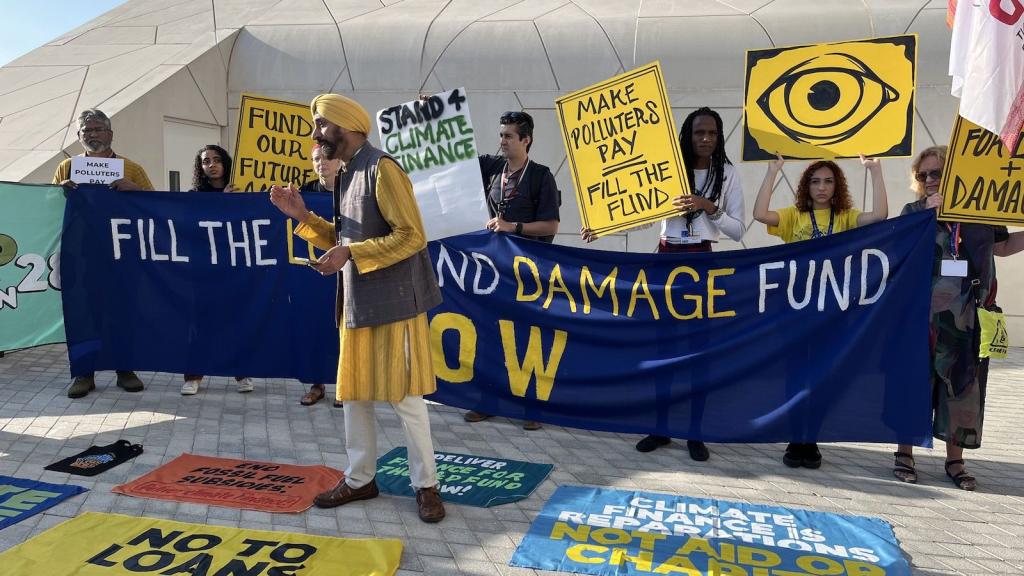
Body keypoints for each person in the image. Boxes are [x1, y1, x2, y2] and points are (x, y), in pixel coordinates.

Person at [269, 93, 446, 522]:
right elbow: (345, 238)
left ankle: (427, 487)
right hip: (356, 304)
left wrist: (351, 254)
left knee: (406, 400)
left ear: (346, 126)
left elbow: (411, 236)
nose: (316, 134)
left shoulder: (383, 169)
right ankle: (360, 479)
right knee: (355, 397)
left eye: (321, 124)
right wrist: (303, 217)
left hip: (396, 304)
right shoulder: (348, 171)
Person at [584, 107, 746, 462]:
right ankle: (659, 427)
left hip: (702, 261)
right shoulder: (667, 169)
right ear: (687, 135)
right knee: (663, 348)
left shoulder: (728, 173)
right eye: (699, 132)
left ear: (719, 137)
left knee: (698, 351)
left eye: (712, 133)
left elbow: (738, 230)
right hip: (666, 257)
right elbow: (639, 215)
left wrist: (708, 207)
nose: (706, 138)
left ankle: (695, 431)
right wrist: (603, 225)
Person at [892, 145, 1024, 490]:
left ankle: (955, 460)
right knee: (915, 383)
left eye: (936, 172)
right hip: (921, 318)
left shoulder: (981, 211)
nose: (929, 180)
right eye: (923, 175)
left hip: (969, 317)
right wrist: (926, 215)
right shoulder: (914, 211)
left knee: (964, 388)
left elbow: (1002, 247)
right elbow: (899, 246)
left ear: (954, 172)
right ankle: (904, 453)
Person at [753, 152, 887, 469]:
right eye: (815, 182)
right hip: (795, 311)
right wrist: (772, 171)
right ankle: (794, 437)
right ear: (807, 186)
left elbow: (880, 215)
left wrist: (875, 171)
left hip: (832, 311)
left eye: (828, 181)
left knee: (822, 375)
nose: (822, 187)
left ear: (837, 186)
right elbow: (759, 214)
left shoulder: (845, 217)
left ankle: (811, 439)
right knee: (795, 375)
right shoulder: (794, 216)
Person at [464, 110, 560, 430]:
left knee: (528, 338)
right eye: (501, 134)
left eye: (508, 136)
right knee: (490, 332)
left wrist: (512, 226)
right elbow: (452, 157)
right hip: (494, 270)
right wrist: (429, 115)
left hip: (529, 271)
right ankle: (488, 400)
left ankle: (532, 406)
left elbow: (551, 225)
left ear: (526, 140)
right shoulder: (492, 168)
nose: (502, 141)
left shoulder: (541, 176)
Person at [54, 108, 154, 399]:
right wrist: (58, 190)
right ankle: (84, 373)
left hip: (123, 253)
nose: (93, 134)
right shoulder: (67, 167)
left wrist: (135, 190)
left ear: (110, 133)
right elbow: (48, 207)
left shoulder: (131, 168)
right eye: (87, 130)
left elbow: (155, 205)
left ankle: (125, 369)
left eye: (98, 129)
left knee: (123, 311)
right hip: (81, 254)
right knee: (83, 313)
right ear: (78, 136)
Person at [180, 145, 253, 395]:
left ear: (225, 163)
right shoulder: (194, 195)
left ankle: (242, 373)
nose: (211, 165)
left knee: (234, 321)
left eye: (216, 160)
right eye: (205, 161)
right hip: (202, 269)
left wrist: (232, 202)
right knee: (200, 322)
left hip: (233, 267)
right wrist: (222, 201)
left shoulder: (240, 192)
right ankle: (193, 377)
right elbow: (191, 225)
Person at [298, 145, 344, 407]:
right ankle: (317, 384)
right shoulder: (306, 191)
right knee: (316, 327)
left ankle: (344, 385)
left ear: (339, 161)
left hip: (346, 270)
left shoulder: (351, 188)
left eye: (327, 158)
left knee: (342, 329)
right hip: (314, 274)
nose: (321, 163)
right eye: (316, 159)